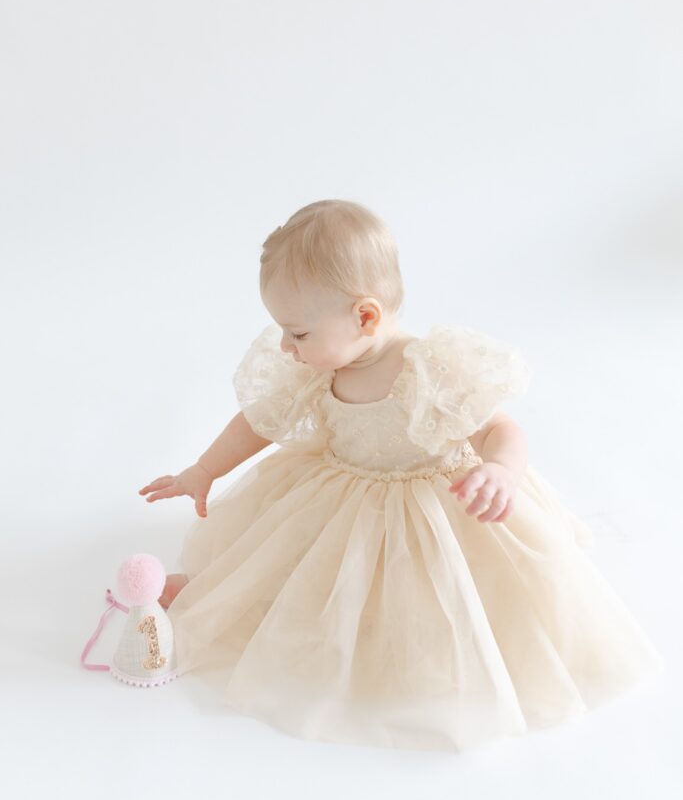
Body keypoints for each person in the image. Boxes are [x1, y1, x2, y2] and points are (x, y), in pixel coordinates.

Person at [138, 199, 664, 753]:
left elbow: (497, 430)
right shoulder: (319, 367)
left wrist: (501, 472)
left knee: (431, 599)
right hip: (336, 497)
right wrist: (203, 470)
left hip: (437, 506)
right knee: (290, 562)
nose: (287, 348)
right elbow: (260, 423)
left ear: (364, 316)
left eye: (297, 333)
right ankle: (217, 597)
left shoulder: (430, 368)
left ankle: (431, 666)